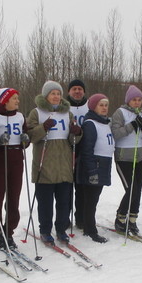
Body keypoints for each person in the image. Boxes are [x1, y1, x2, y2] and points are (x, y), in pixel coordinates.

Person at [26, 80, 81, 244]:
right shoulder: (36, 112)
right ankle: (45, 230)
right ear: (46, 96)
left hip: (64, 164)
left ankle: (61, 229)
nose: (56, 96)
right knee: (46, 202)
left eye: (58, 94)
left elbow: (73, 140)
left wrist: (77, 133)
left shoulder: (68, 113)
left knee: (64, 201)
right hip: (45, 164)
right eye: (53, 93)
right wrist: (43, 128)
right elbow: (30, 136)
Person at [0, 88, 30, 250]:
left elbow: (25, 134)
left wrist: (25, 140)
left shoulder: (20, 116)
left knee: (14, 197)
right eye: (14, 98)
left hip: (16, 159)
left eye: (18, 98)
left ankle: (8, 230)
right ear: (5, 100)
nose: (17, 101)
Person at [111, 84, 142, 235]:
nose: (137, 102)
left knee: (138, 189)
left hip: (141, 156)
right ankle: (121, 217)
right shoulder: (120, 113)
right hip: (124, 157)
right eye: (134, 99)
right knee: (131, 188)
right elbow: (115, 133)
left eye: (139, 100)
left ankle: (132, 219)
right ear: (128, 100)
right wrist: (132, 125)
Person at [76, 93, 114, 243]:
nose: (104, 108)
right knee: (90, 200)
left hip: (103, 165)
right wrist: (92, 170)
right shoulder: (90, 123)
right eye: (101, 105)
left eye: (106, 105)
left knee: (93, 199)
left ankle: (88, 225)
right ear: (93, 106)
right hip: (94, 166)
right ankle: (91, 230)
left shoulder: (104, 123)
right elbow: (87, 149)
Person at [66, 79, 88, 229]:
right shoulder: (64, 106)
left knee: (82, 187)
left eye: (80, 89)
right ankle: (64, 218)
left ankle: (81, 218)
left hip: (85, 149)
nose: (77, 91)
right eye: (74, 89)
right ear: (69, 91)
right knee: (66, 188)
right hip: (67, 149)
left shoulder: (89, 105)